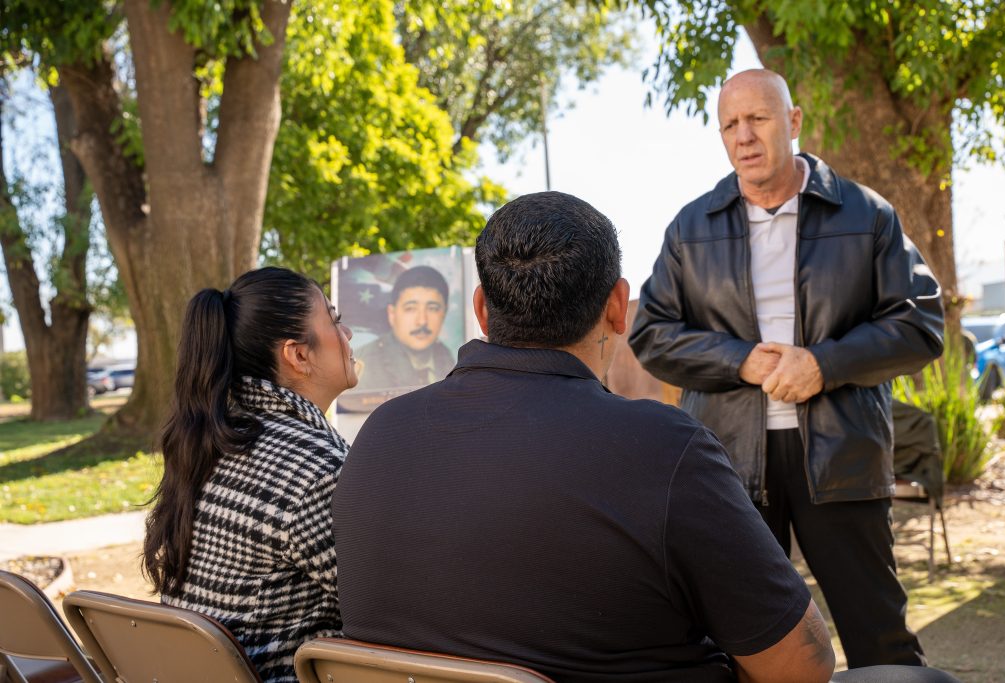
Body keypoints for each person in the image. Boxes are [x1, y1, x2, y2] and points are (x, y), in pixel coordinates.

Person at [333, 191, 837, 683]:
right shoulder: (662, 448)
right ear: (618, 306)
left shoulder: (378, 437)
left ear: (482, 309)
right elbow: (801, 667)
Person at [629, 69, 946, 669]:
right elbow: (650, 335)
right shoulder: (690, 228)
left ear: (793, 120)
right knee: (736, 645)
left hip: (842, 456)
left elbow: (921, 324)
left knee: (879, 636)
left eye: (758, 118)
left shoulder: (867, 214)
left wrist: (824, 365)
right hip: (728, 464)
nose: (744, 136)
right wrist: (740, 359)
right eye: (730, 124)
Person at [143, 266, 357, 683]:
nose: (347, 334)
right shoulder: (312, 469)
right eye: (334, 320)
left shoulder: (213, 439)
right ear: (298, 355)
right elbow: (388, 604)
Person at [355, 265, 455, 391]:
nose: (422, 321)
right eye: (410, 308)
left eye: (432, 308)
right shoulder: (362, 367)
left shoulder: (454, 362)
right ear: (392, 314)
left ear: (444, 313)